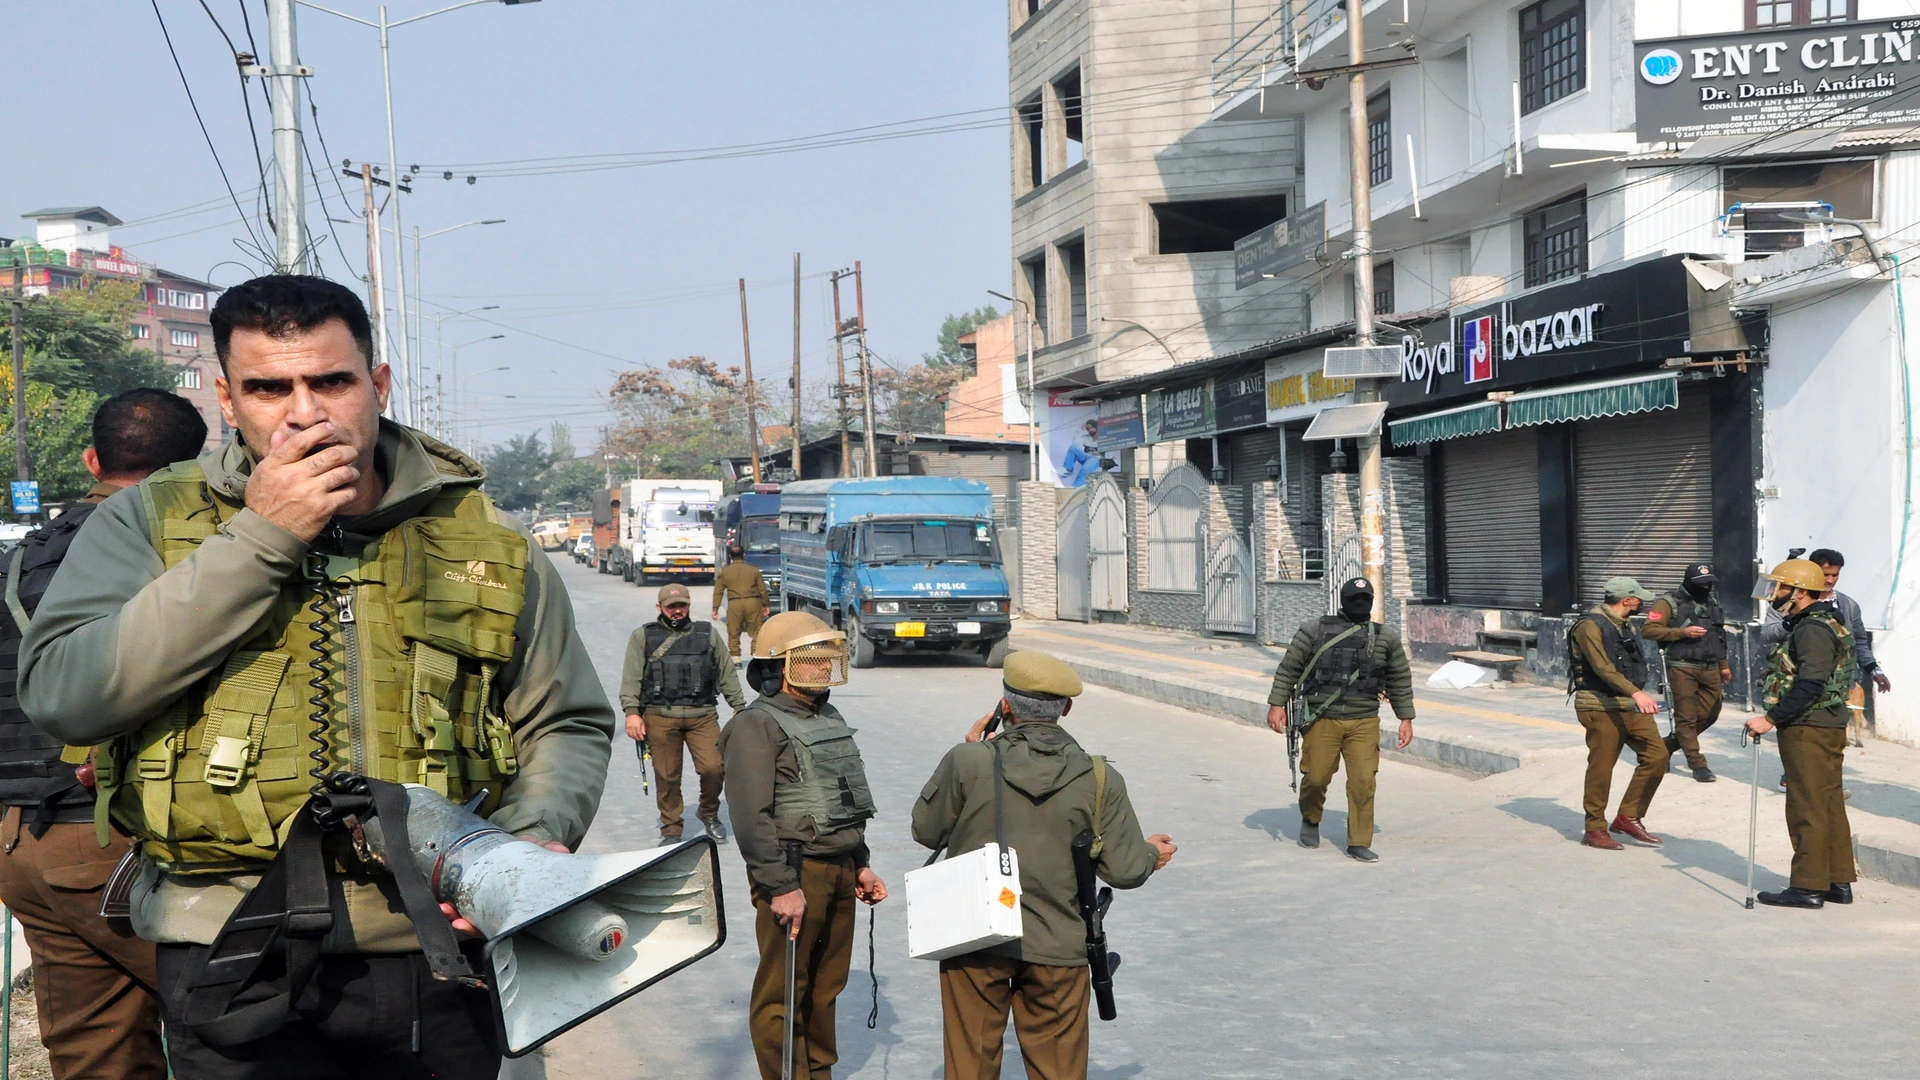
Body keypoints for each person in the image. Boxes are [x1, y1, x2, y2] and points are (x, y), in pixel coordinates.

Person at [17, 275, 616, 1078]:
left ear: (377, 384)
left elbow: (564, 720)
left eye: (330, 381)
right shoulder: (147, 522)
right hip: (226, 949)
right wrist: (264, 536)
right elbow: (64, 696)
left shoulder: (487, 540)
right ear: (228, 401)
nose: (303, 412)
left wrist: (536, 837)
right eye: (269, 388)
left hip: (433, 948)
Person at [0, 389, 205, 1080]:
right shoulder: (180, 551)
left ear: (92, 459)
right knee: (259, 1024)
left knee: (97, 1060)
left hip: (20, 841)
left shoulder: (23, 555)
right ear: (195, 470)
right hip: (115, 839)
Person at [914, 651, 1174, 1080]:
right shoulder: (1099, 777)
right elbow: (1125, 870)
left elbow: (926, 831)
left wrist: (969, 754)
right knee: (1058, 1069)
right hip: (1058, 947)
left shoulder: (969, 761)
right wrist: (1151, 853)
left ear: (1005, 707)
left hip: (977, 941)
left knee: (969, 1065)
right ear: (1066, 709)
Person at [719, 610, 888, 1080]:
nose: (822, 668)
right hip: (795, 872)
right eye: (810, 659)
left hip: (837, 869)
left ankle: (818, 1072)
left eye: (827, 658)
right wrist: (780, 886)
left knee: (826, 986)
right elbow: (751, 819)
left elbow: (841, 800)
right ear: (776, 667)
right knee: (784, 990)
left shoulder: (827, 714)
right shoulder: (756, 725)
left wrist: (860, 864)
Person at [1263, 577, 1414, 862]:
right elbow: (1289, 669)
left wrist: (1405, 718)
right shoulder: (1314, 631)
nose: (1360, 604)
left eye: (1365, 599)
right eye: (1354, 599)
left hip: (1364, 719)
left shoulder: (1385, 638)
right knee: (1316, 777)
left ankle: (1358, 840)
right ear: (1342, 601)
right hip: (1322, 717)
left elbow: (1400, 679)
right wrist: (1276, 705)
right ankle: (1310, 817)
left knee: (1363, 781)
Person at [1745, 559, 1858, 909]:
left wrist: (1770, 719)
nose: (1774, 595)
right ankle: (1836, 882)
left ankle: (1808, 886)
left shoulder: (1812, 629)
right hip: (1825, 723)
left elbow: (1811, 683)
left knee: (1806, 804)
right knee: (1828, 803)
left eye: (1780, 588)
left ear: (1798, 591)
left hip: (1810, 727)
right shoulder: (1820, 622)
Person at [621, 582, 746, 845]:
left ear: (689, 606)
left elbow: (726, 672)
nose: (677, 611)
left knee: (714, 767)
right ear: (660, 608)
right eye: (671, 607)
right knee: (667, 775)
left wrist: (739, 706)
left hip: (702, 715)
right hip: (660, 715)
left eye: (682, 605)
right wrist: (632, 713)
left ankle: (708, 812)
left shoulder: (707, 634)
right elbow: (631, 678)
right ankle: (671, 828)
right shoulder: (643, 637)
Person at [1566, 577, 1670, 850]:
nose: (1642, 602)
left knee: (1657, 755)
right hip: (1598, 705)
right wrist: (1637, 693)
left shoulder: (1622, 624)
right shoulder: (1589, 626)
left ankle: (1628, 816)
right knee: (1602, 768)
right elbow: (1602, 668)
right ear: (1627, 601)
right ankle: (1594, 828)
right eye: (1639, 598)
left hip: (1626, 704)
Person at [1641, 562, 1731, 783]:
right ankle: (1697, 763)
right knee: (1686, 717)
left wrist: (1723, 665)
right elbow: (1649, 630)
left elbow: (1718, 635)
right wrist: (1683, 632)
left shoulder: (1711, 602)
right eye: (1701, 583)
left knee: (1711, 713)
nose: (1707, 586)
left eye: (1709, 582)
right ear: (1689, 582)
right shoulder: (1667, 603)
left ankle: (1665, 747)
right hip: (1682, 665)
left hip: (1710, 665)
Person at [712, 540, 770, 661]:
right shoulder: (754, 570)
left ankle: (736, 657)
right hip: (752, 602)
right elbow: (762, 589)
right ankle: (756, 654)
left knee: (733, 631)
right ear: (744, 555)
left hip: (734, 603)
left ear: (730, 556)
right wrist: (765, 604)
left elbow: (718, 591)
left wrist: (715, 608)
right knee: (757, 630)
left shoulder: (725, 571)